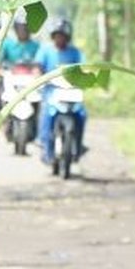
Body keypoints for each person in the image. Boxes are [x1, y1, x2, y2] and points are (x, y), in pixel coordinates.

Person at [34, 18, 87, 165]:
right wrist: (40, 79)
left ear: (67, 37)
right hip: (51, 91)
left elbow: (84, 67)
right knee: (46, 114)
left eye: (62, 35)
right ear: (53, 36)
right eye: (57, 35)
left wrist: (85, 78)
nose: (60, 38)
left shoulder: (75, 52)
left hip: (70, 91)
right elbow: (38, 67)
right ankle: (45, 148)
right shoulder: (45, 50)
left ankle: (78, 145)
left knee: (82, 114)